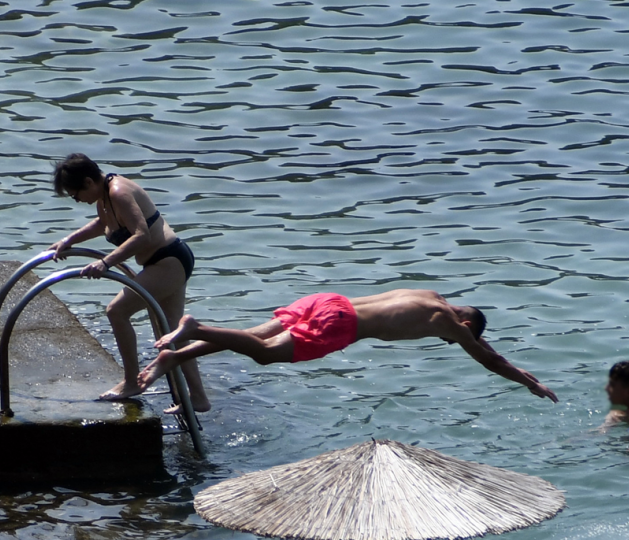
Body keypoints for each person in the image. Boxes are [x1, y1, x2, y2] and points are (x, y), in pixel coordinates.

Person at [136, 289, 558, 402]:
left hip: (330, 300)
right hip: (342, 323)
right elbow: (490, 359)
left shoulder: (430, 295)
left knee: (254, 336)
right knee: (263, 355)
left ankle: (173, 357)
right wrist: (529, 382)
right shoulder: (446, 320)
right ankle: (194, 328)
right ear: (465, 322)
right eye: (457, 337)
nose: (451, 340)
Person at [50, 153, 209, 414]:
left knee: (117, 310)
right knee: (171, 333)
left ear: (89, 181)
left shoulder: (118, 191)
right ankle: (199, 398)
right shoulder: (104, 198)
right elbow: (102, 224)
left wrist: (106, 263)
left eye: (75, 194)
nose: (77, 200)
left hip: (168, 260)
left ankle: (131, 381)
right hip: (165, 262)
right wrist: (69, 240)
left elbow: (141, 235)